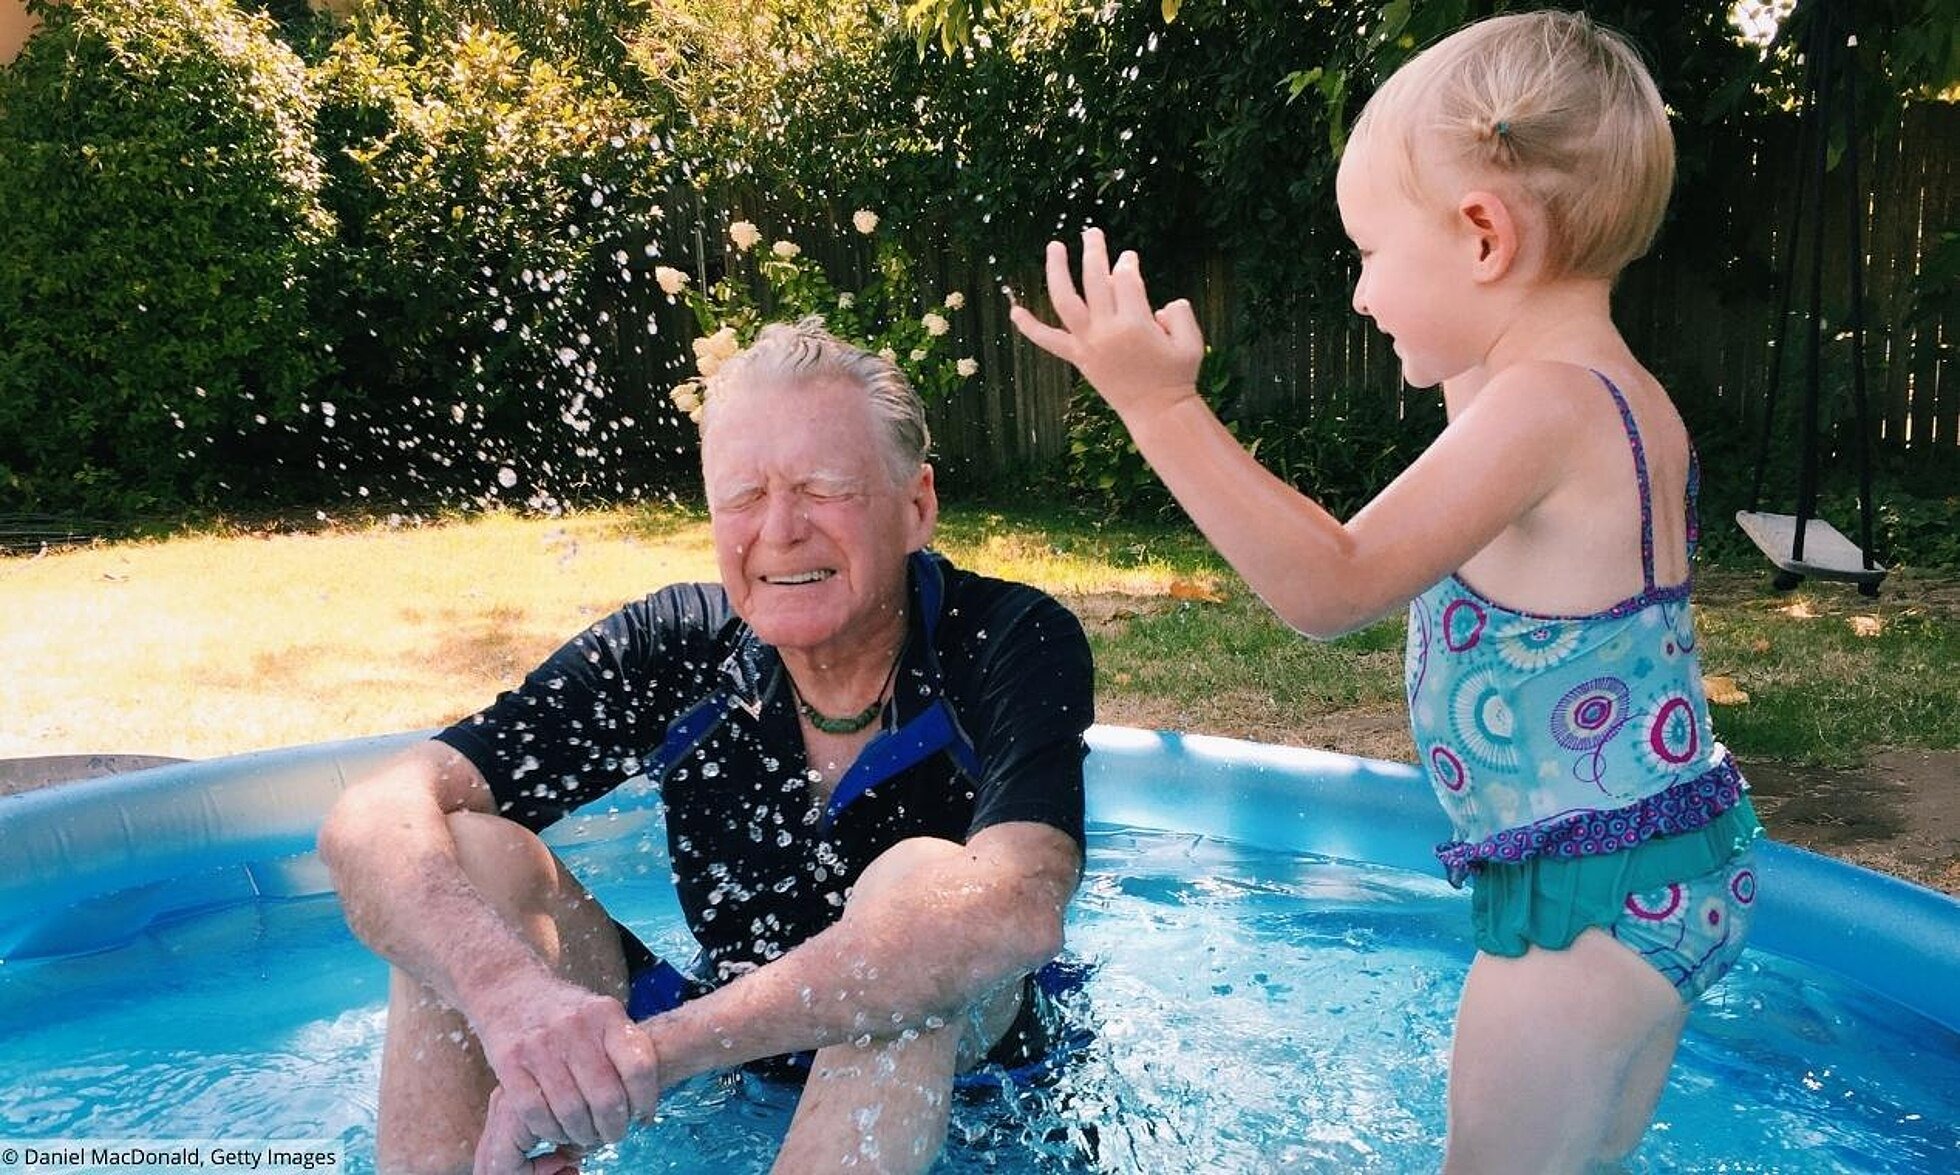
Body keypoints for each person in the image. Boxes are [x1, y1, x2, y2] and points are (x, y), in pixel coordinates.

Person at [1009, 10, 1762, 1172]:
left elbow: (1330, 583)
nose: (1360, 293)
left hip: (1583, 905)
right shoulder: (1590, 387)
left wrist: (1158, 406)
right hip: (1662, 861)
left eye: (1367, 249)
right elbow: (1464, 349)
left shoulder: (1545, 405)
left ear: (1482, 236)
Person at [319, 318, 1095, 1175]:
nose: (781, 530)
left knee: (922, 890)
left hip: (976, 1083)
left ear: (916, 507)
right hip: (721, 1044)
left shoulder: (1009, 639)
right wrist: (518, 1006)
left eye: (825, 486)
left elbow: (1017, 907)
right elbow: (371, 817)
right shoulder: (676, 646)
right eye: (744, 496)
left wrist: (654, 1053)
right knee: (464, 856)